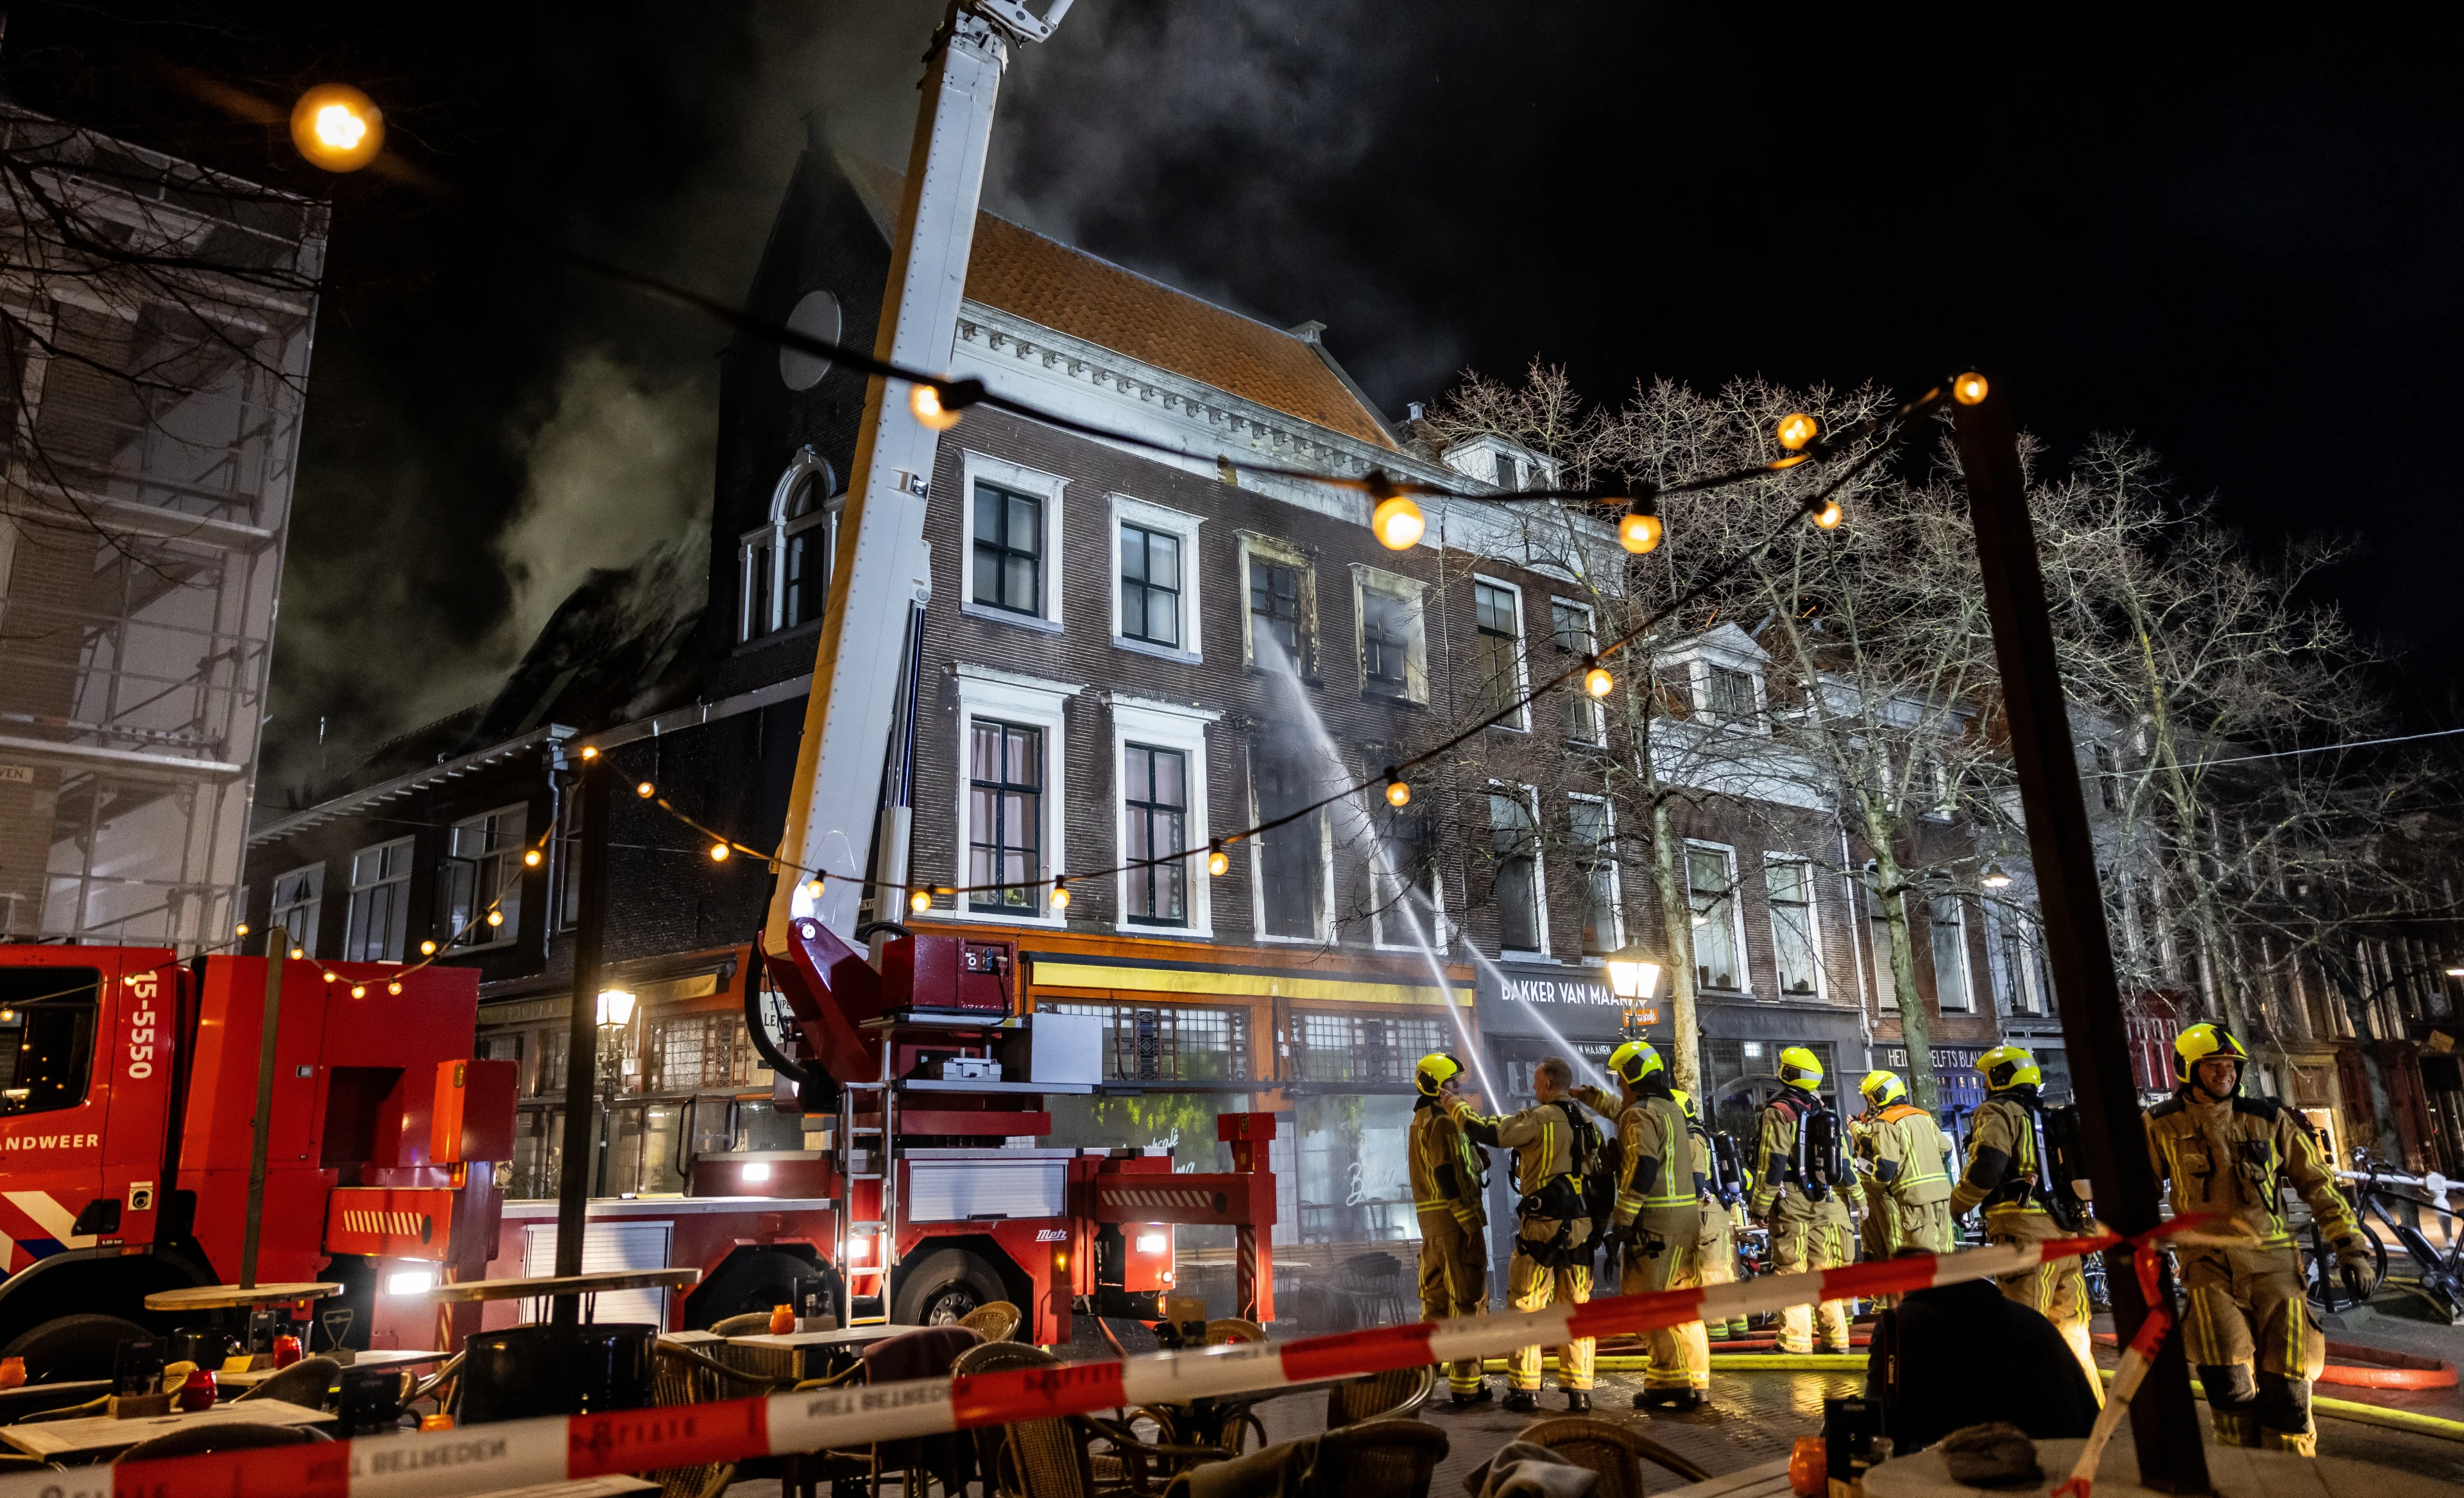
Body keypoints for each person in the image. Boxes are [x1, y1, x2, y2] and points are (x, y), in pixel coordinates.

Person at [2147, 1022, 2377, 1455]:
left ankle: (2293, 1477)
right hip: (2208, 1270)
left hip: (2276, 1270)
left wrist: (2351, 1248)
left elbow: (2319, 1184)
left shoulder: (2269, 1119)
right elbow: (2133, 1193)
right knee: (2227, 1385)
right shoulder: (2160, 1124)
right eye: (2213, 1065)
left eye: (2232, 1065)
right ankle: (2245, 1476)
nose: (2226, 1073)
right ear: (2187, 1070)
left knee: (2288, 1390)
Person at [1947, 1044, 2097, 1392]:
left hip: (2026, 1240)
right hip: (2067, 1237)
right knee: (2074, 1338)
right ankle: (2090, 1410)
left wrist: (1957, 1204)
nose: (1984, 1086)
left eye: (1986, 1079)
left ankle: (2036, 1416)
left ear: (1999, 1078)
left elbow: (1987, 1165)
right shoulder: (2048, 1117)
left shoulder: (1997, 1111)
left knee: (2024, 1333)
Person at [1451, 1054, 1595, 1413]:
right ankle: (1579, 1391)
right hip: (1580, 1227)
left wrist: (1455, 1106)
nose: (1532, 1087)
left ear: (1547, 1084)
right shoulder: (1588, 1122)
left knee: (1526, 1305)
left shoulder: (1540, 1118)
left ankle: (1525, 1389)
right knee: (1575, 1308)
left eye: (1535, 1081)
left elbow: (1490, 1132)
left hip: (1542, 1226)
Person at [1571, 1041, 1708, 1410]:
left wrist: (1622, 1221)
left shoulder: (1639, 1116)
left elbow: (1642, 1169)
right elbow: (1624, 1110)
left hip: (1655, 1226)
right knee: (1681, 1305)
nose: (1618, 1086)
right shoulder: (1669, 1108)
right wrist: (1589, 1096)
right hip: (1686, 1222)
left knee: (1641, 1303)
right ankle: (1697, 1381)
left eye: (1620, 1079)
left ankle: (1669, 1381)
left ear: (1632, 1076)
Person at [1864, 1248, 2101, 1454]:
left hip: (1987, 1462)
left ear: (1898, 1287)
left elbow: (1880, 1417)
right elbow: (2087, 1409)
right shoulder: (2029, 1318)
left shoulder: (1898, 1324)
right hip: (2069, 1455)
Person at [1749, 1046, 1855, 1354]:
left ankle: (1795, 1342)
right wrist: (1858, 1199)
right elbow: (1843, 1162)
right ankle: (1837, 1340)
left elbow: (1773, 1161)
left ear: (1787, 1073)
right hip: (1823, 1198)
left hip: (1792, 1200)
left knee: (1792, 1271)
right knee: (1824, 1272)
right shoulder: (1823, 1110)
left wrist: (1760, 1206)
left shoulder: (1779, 1111)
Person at [1410, 1051, 1492, 1407]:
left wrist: (1476, 1156)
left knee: (1435, 1307)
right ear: (1436, 1085)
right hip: (1456, 1225)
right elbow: (1446, 1174)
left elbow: (1450, 1167)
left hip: (1432, 1228)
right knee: (1468, 1301)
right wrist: (1469, 1221)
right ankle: (1467, 1385)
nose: (1459, 1086)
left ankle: (1420, 1385)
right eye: (1452, 1081)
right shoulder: (1443, 1122)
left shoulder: (1420, 1120)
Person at [1855, 1069, 1956, 1257]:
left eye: (1870, 1097)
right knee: (1946, 1257)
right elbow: (1947, 1150)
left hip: (1915, 1201)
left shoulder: (1886, 1122)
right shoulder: (1923, 1115)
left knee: (1923, 1259)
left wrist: (1876, 1186)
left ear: (1878, 1095)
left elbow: (1886, 1168)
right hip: (1942, 1196)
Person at [1673, 1088, 1743, 1348]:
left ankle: (1716, 1328)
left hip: (1703, 1210)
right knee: (1720, 1269)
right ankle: (1736, 1324)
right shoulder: (1697, 1133)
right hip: (1711, 1209)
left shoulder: (1691, 1138)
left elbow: (1695, 1181)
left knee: (1710, 1269)